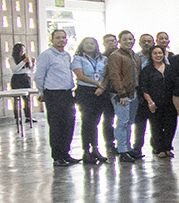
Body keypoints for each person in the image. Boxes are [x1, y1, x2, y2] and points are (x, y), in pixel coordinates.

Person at [35, 29, 79, 167]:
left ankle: (66, 153)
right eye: (58, 37)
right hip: (53, 94)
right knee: (56, 126)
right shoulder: (46, 55)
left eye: (63, 37)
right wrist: (41, 92)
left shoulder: (66, 55)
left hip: (67, 93)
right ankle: (57, 157)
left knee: (69, 124)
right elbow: (39, 76)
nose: (61, 40)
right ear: (52, 39)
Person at [72, 37, 109, 164]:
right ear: (82, 45)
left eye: (92, 43)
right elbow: (80, 76)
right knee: (87, 122)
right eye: (86, 43)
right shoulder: (78, 58)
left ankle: (95, 149)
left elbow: (107, 75)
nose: (89, 45)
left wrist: (102, 87)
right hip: (85, 93)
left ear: (96, 45)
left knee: (95, 122)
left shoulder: (103, 59)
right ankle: (86, 151)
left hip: (100, 94)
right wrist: (97, 84)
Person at [107, 31, 141, 163]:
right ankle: (122, 151)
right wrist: (121, 93)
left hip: (133, 93)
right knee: (122, 122)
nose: (128, 41)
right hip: (121, 95)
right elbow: (114, 75)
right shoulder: (115, 55)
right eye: (125, 39)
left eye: (130, 39)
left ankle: (127, 147)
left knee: (129, 122)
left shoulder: (135, 56)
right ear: (119, 41)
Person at [140, 45, 177, 158]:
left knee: (171, 125)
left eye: (160, 53)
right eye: (155, 53)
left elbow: (176, 82)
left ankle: (167, 147)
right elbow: (144, 88)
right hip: (154, 103)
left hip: (170, 103)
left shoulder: (169, 68)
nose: (158, 55)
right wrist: (150, 102)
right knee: (156, 126)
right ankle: (159, 148)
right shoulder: (147, 70)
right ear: (151, 56)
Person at [9, 43, 35, 121]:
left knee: (27, 99)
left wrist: (33, 64)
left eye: (24, 50)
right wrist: (23, 62)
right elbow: (15, 69)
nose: (23, 52)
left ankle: (28, 117)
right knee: (16, 99)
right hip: (16, 78)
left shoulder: (26, 58)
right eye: (21, 50)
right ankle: (17, 117)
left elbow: (31, 70)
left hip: (25, 78)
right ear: (17, 51)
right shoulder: (12, 58)